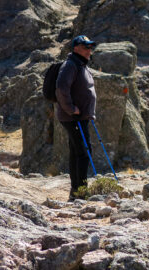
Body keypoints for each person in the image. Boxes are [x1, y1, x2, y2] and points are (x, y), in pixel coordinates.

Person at [56, 35, 97, 201]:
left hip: (80, 118)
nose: (89, 50)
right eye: (85, 47)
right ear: (75, 48)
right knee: (84, 153)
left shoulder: (80, 64)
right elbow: (61, 88)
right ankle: (81, 192)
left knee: (76, 152)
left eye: (90, 47)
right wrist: (72, 109)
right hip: (74, 118)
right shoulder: (70, 65)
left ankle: (75, 192)